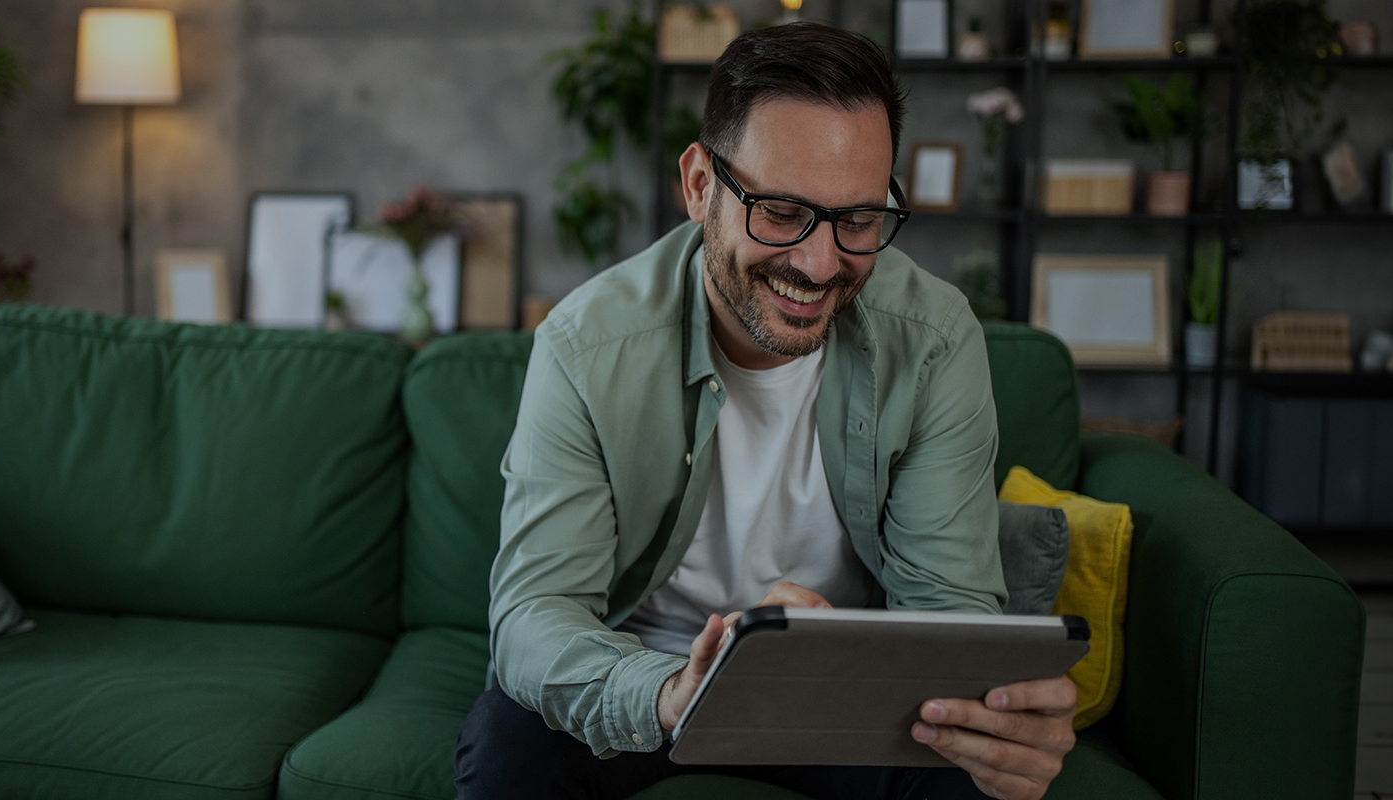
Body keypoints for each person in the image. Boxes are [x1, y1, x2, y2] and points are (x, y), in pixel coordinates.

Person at [452, 23, 1078, 800]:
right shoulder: (586, 348)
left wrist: (996, 724)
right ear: (699, 186)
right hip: (654, 685)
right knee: (508, 741)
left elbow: (948, 613)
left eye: (859, 219)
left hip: (849, 696)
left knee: (976, 780)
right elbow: (534, 614)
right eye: (781, 211)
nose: (820, 263)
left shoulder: (935, 340)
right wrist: (671, 691)